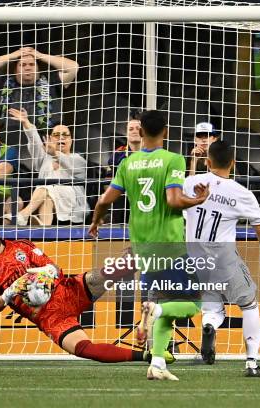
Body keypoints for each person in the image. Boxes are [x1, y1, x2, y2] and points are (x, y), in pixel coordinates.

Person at [89, 110, 210, 380]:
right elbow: (174, 200)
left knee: (165, 301)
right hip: (169, 244)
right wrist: (198, 200)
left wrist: (96, 222)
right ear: (165, 132)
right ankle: (155, 311)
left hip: (143, 248)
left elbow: (104, 201)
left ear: (141, 132)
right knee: (192, 304)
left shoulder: (127, 163)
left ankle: (157, 363)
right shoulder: (173, 159)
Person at [0, 218, 174, 364]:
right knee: (84, 349)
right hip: (51, 318)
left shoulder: (22, 246)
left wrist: (46, 272)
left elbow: (56, 270)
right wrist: (10, 291)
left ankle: (161, 247)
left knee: (110, 272)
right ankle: (149, 356)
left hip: (68, 291)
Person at [183, 140, 260, 377]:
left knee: (212, 303)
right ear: (233, 163)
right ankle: (252, 363)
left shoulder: (191, 183)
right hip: (223, 256)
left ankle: (209, 326)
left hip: (195, 257)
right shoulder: (242, 193)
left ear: (208, 162)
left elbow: (176, 202)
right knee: (249, 304)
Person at [0, 47, 79, 137]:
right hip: (9, 142)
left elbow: (73, 67)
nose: (28, 67)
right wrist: (12, 56)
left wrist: (40, 55)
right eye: (22, 65)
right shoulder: (2, 83)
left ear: (38, 69)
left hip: (46, 142)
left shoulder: (52, 81)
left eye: (32, 64)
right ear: (15, 70)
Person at [9, 107, 88, 226]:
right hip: (47, 196)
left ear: (71, 140)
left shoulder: (78, 159)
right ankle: (44, 228)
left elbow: (68, 164)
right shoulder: (45, 158)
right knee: (47, 195)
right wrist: (26, 123)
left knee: (45, 187)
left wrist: (55, 153)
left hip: (74, 203)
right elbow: (35, 143)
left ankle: (23, 215)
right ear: (50, 138)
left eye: (65, 135)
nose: (61, 138)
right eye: (56, 135)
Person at [106, 112, 142, 224]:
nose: (135, 131)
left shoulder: (152, 154)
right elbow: (107, 184)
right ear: (126, 133)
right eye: (131, 129)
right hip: (122, 199)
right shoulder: (118, 154)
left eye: (138, 128)